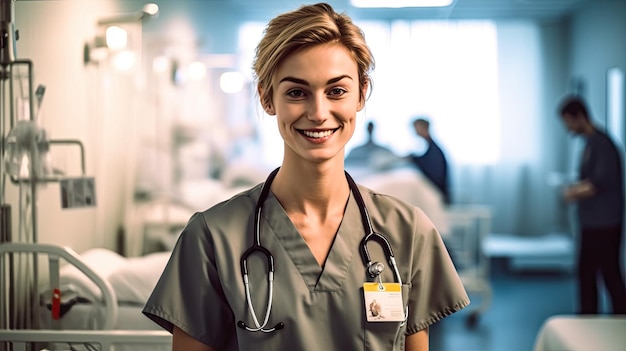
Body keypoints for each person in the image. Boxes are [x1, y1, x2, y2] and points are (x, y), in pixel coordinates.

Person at [142, 3, 469, 350]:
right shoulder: (211, 238)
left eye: (336, 91)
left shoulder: (408, 231)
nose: (318, 112)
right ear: (268, 98)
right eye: (296, 92)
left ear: (362, 93)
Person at [557, 95, 626, 315]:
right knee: (588, 274)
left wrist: (572, 192)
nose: (567, 128)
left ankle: (619, 318)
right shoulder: (589, 144)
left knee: (608, 274)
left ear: (578, 117)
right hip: (593, 223)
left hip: (605, 224)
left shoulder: (602, 144)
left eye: (568, 121)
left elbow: (598, 182)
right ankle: (588, 319)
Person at [407, 117, 451, 205]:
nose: (414, 131)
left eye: (416, 128)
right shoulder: (431, 148)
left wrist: (415, 160)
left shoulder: (434, 151)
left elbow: (433, 174)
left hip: (437, 196)